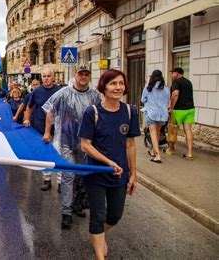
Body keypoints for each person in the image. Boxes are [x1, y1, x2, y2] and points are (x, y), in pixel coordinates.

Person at [79, 69, 140, 260]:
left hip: (119, 174)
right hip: (96, 173)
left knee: (114, 216)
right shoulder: (93, 112)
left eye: (121, 83)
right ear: (104, 87)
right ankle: (99, 253)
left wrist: (133, 174)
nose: (118, 87)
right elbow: (85, 145)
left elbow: (130, 144)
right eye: (113, 83)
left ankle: (98, 234)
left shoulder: (130, 112)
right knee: (98, 216)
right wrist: (107, 162)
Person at [43, 65, 101, 230]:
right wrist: (47, 132)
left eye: (86, 74)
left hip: (87, 144)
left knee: (82, 176)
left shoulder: (95, 96)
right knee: (68, 177)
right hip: (67, 142)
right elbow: (49, 111)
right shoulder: (63, 93)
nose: (83, 77)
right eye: (80, 74)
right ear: (75, 75)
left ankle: (77, 204)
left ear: (89, 76)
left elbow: (101, 117)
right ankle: (66, 213)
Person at [23, 68, 62, 191]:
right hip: (40, 127)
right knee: (45, 155)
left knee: (59, 154)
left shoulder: (60, 91)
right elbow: (29, 107)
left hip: (58, 128)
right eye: (44, 76)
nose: (46, 78)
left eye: (48, 76)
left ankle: (61, 182)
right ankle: (47, 179)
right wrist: (27, 119)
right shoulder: (37, 91)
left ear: (53, 77)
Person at [141, 70, 170, 163]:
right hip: (163, 114)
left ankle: (157, 156)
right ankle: (154, 151)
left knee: (153, 134)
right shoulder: (166, 88)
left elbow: (143, 99)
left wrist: (149, 103)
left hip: (151, 113)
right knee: (157, 133)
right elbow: (168, 100)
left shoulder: (148, 87)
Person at [166, 67, 195, 159]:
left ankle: (170, 149)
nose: (171, 75)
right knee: (188, 131)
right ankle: (189, 153)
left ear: (177, 73)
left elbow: (175, 94)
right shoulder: (188, 82)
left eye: (172, 73)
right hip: (190, 109)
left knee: (172, 129)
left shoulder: (176, 82)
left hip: (179, 110)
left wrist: (171, 107)